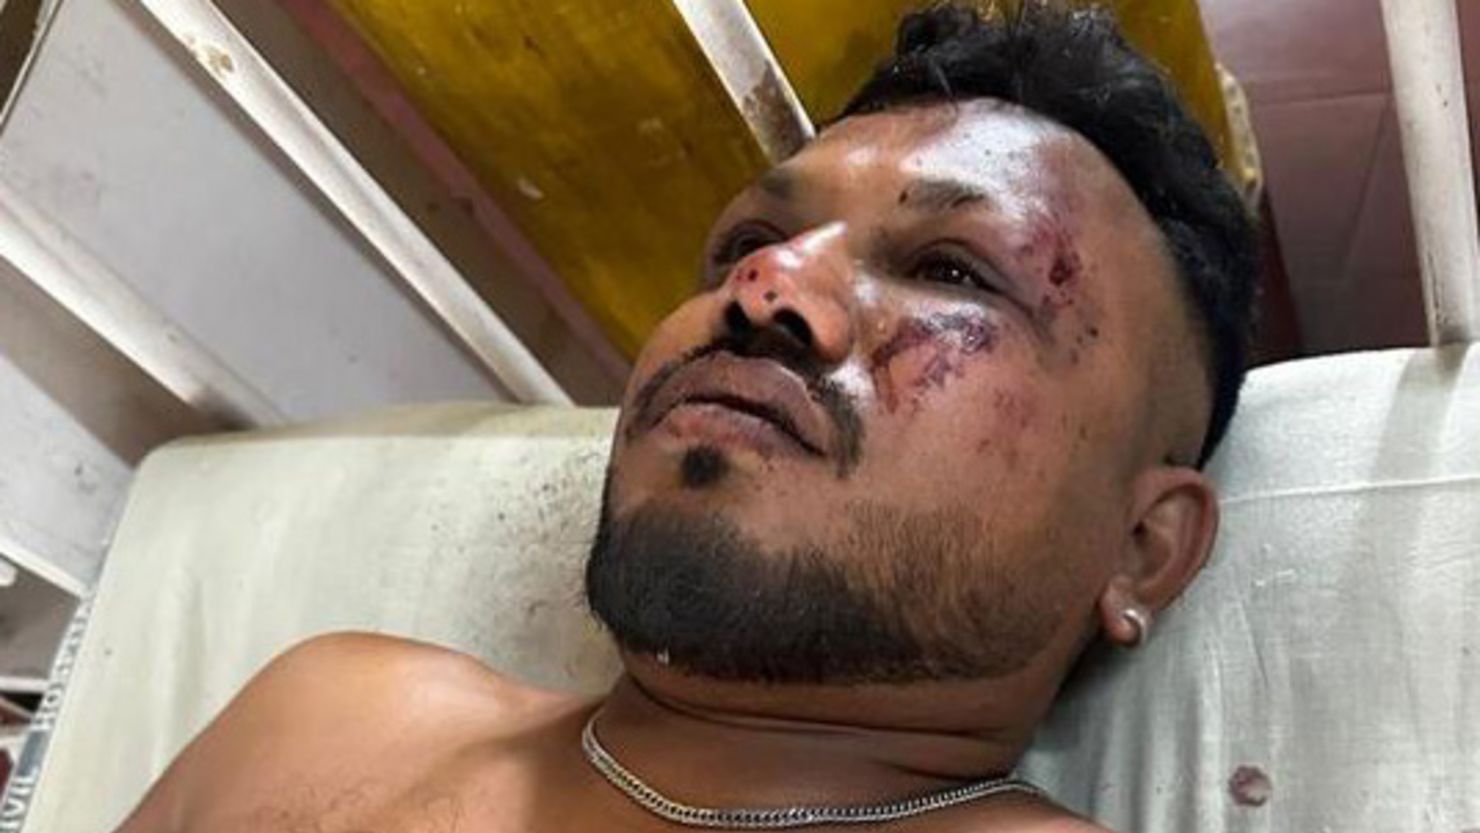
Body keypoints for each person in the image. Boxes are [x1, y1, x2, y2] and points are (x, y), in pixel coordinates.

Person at [113, 3, 1257, 831]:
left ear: (1140, 548)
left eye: (951, 270)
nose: (765, 287)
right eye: (749, 243)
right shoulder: (326, 713)